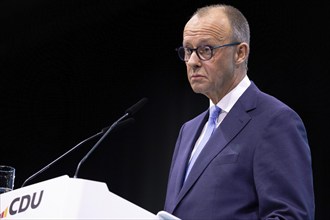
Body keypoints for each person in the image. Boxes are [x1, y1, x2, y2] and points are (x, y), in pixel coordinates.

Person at [164, 4, 314, 220]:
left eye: (206, 50)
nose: (193, 62)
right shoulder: (187, 131)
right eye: (188, 51)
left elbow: (289, 216)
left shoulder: (276, 121)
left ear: (240, 53)